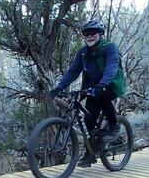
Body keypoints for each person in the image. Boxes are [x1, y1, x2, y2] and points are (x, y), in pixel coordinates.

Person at [50, 19, 120, 167]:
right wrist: (58, 89)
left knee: (102, 95)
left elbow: (111, 68)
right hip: (91, 87)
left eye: (92, 33)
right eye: (86, 34)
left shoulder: (109, 48)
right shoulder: (83, 53)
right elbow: (73, 72)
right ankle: (90, 155)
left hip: (110, 84)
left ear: (100, 33)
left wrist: (102, 84)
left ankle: (114, 126)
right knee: (88, 120)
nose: (89, 36)